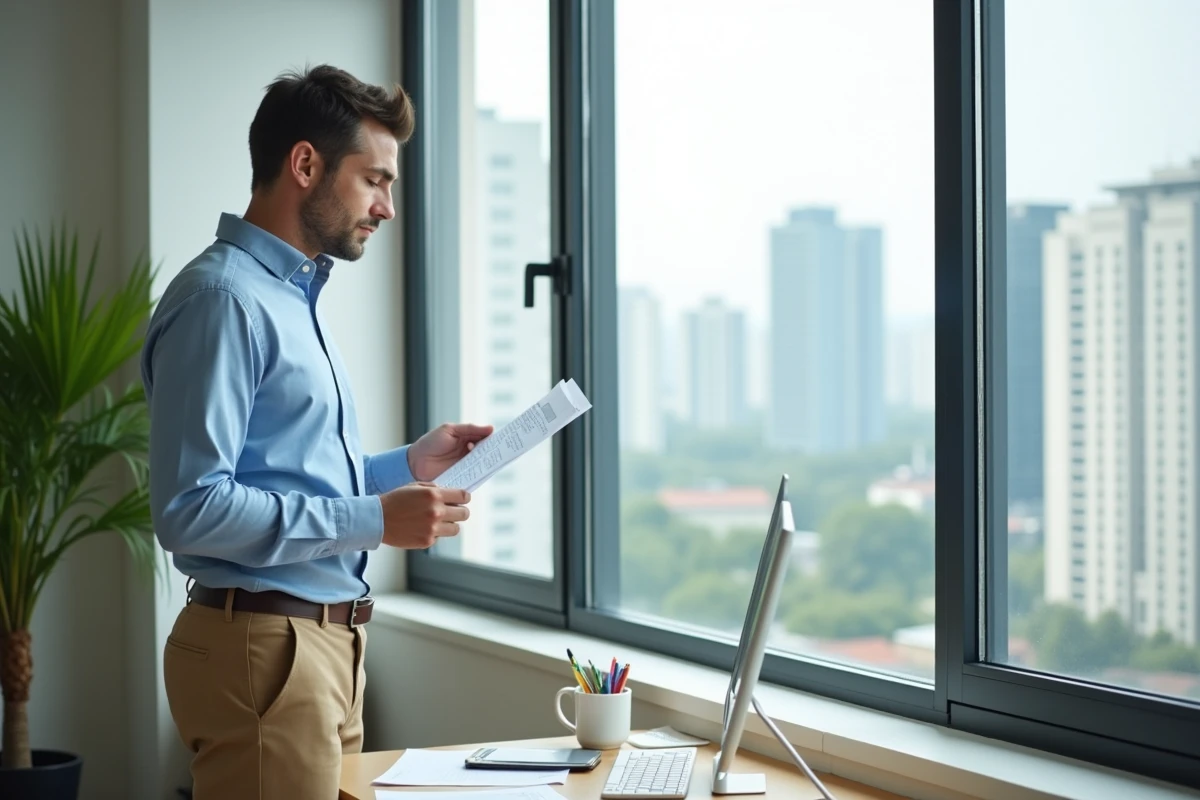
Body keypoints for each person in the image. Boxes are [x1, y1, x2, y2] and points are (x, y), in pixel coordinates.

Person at [140, 64, 491, 800]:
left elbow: (290, 479)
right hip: (267, 650)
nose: (387, 207)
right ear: (305, 164)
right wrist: (374, 519)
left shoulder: (287, 296)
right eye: (375, 180)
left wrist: (406, 467)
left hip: (321, 649)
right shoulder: (224, 300)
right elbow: (191, 508)